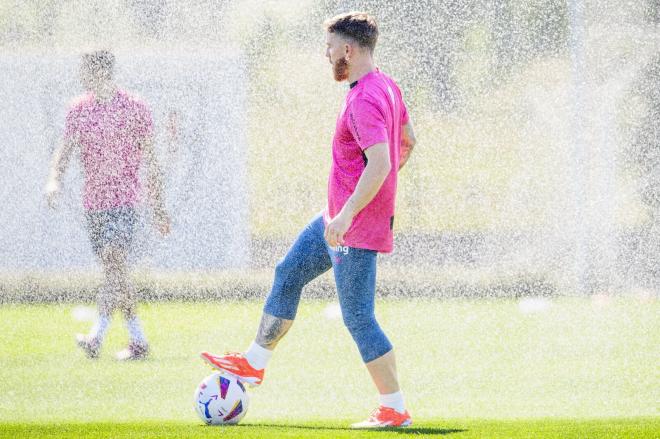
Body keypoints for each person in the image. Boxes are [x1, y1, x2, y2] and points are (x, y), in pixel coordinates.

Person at [201, 12, 416, 428]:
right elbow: (407, 141)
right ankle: (253, 363)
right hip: (338, 218)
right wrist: (367, 200)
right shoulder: (386, 86)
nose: (327, 53)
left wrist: (355, 210)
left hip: (350, 225)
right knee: (289, 272)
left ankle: (394, 408)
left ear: (349, 50)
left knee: (358, 317)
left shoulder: (364, 98)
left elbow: (382, 162)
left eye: (331, 47)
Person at [46, 50, 170, 360]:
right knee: (116, 272)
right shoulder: (78, 110)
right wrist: (53, 181)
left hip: (126, 200)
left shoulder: (135, 107)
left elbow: (151, 160)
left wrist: (157, 204)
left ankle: (96, 337)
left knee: (114, 262)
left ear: (100, 71)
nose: (80, 75)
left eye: (84, 69)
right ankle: (138, 340)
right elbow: (65, 150)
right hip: (94, 204)